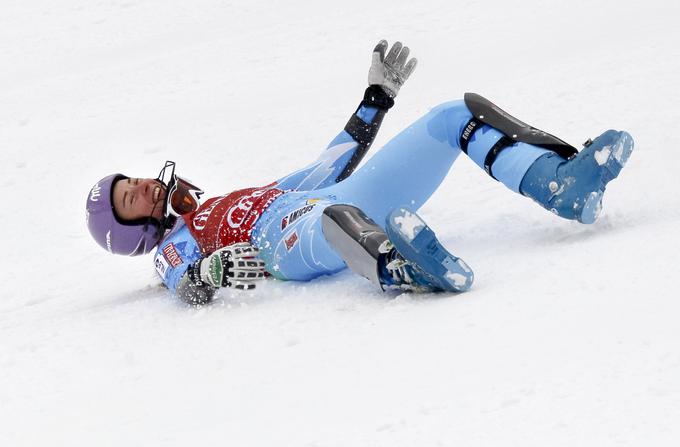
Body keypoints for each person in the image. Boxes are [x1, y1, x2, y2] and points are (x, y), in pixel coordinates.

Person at [85, 40, 634, 304]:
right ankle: (405, 268)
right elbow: (186, 282)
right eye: (130, 198)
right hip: (283, 244)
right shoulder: (173, 244)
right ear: (134, 230)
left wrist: (377, 98)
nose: (142, 186)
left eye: (131, 181)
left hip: (308, 204)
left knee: (453, 114)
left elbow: (326, 165)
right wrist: (212, 273)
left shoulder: (221, 203)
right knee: (335, 214)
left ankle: (559, 184)